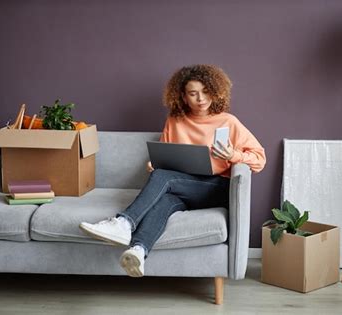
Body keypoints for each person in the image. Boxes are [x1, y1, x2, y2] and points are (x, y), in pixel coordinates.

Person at [79, 64, 266, 277]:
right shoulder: (175, 120)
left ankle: (123, 222)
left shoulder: (228, 122)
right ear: (183, 97)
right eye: (193, 93)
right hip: (183, 189)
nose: (201, 99)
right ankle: (139, 251)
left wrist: (234, 156)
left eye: (205, 91)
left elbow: (260, 159)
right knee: (165, 201)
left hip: (215, 188)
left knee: (163, 178)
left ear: (214, 91)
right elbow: (166, 156)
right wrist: (156, 164)